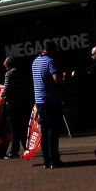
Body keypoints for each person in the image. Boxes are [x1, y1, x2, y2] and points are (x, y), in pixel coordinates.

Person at [32, 39, 66, 168]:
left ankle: (46, 160)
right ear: (52, 50)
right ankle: (54, 160)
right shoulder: (51, 62)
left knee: (45, 132)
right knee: (53, 131)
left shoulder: (35, 62)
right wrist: (63, 78)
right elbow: (56, 79)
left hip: (40, 101)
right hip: (51, 100)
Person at [0, 56, 30, 160]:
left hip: (12, 105)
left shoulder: (9, 74)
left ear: (8, 63)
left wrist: (2, 96)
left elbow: (6, 89)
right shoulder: (22, 73)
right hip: (23, 103)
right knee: (23, 127)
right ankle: (27, 147)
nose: (4, 64)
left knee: (14, 128)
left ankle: (14, 150)